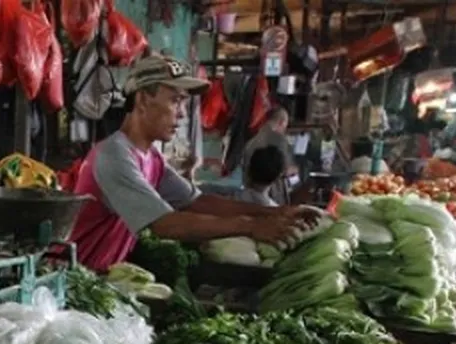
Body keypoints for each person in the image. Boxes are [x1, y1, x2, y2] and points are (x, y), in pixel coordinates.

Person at [69, 55, 310, 270]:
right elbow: (164, 225)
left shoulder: (151, 158)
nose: (183, 113)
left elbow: (197, 201)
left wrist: (276, 212)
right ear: (142, 100)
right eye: (175, 101)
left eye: (183, 102)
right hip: (73, 281)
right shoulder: (114, 155)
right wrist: (249, 226)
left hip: (101, 276)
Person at [243, 106, 296, 205]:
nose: (284, 129)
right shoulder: (279, 139)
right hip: (271, 194)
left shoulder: (252, 140)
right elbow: (284, 169)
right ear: (281, 122)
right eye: (285, 126)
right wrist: (293, 170)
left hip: (250, 193)